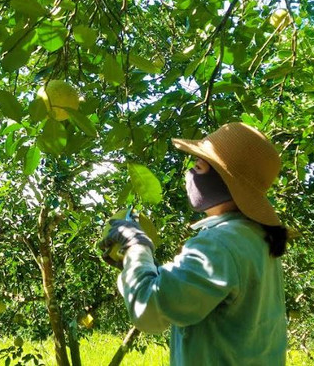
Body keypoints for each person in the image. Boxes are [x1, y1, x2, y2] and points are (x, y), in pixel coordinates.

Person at [99, 122, 288, 365]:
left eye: (198, 167)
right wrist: (139, 267)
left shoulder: (220, 244)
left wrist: (137, 246)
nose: (190, 174)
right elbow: (188, 294)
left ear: (224, 181)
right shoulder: (254, 238)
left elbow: (147, 310)